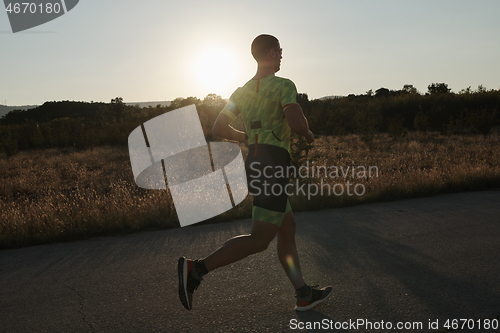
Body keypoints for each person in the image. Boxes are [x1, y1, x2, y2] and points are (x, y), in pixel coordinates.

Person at [178, 34, 332, 312]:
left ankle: (303, 293)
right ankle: (196, 269)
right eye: (280, 51)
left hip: (257, 161)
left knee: (287, 228)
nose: (282, 56)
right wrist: (308, 133)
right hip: (273, 164)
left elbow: (219, 128)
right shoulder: (284, 85)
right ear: (271, 52)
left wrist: (247, 136)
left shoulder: (242, 91)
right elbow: (296, 123)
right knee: (259, 239)